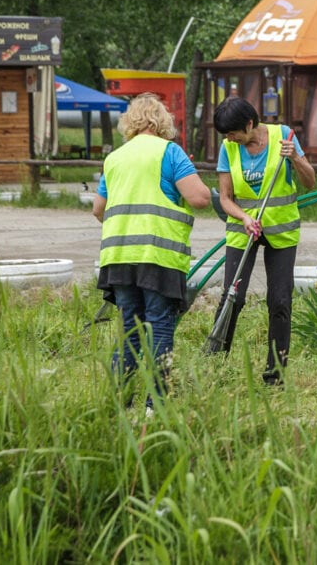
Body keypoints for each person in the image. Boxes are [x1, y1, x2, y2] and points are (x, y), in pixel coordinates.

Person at [92, 93, 211, 412]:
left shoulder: (115, 158)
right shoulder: (170, 152)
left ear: (129, 123)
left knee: (130, 328)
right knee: (159, 324)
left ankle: (121, 400)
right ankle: (155, 403)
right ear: (162, 122)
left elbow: (98, 209)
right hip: (157, 255)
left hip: (118, 257)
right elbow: (199, 197)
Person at [211, 96, 315, 385]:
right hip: (242, 230)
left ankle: (275, 373)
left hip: (281, 231)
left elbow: (310, 181)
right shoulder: (228, 148)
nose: (230, 139)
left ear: (249, 124)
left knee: (279, 300)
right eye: (226, 135)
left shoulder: (284, 137)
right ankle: (214, 361)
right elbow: (225, 198)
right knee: (233, 296)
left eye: (233, 133)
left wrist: (295, 157)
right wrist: (244, 218)